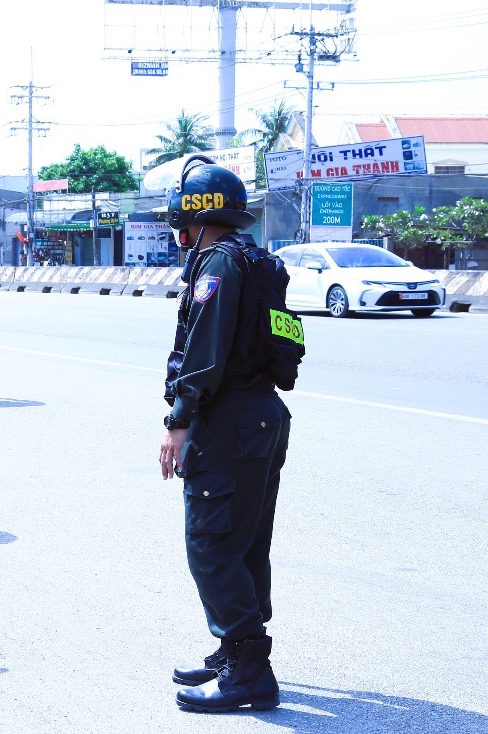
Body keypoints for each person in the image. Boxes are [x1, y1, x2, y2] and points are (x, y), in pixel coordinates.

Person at [156, 155, 294, 713]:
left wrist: (179, 420)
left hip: (229, 419)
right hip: (264, 413)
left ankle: (250, 671)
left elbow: (205, 351)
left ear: (191, 216)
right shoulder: (260, 259)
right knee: (244, 541)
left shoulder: (216, 263)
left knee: (211, 545)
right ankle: (234, 650)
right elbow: (285, 341)